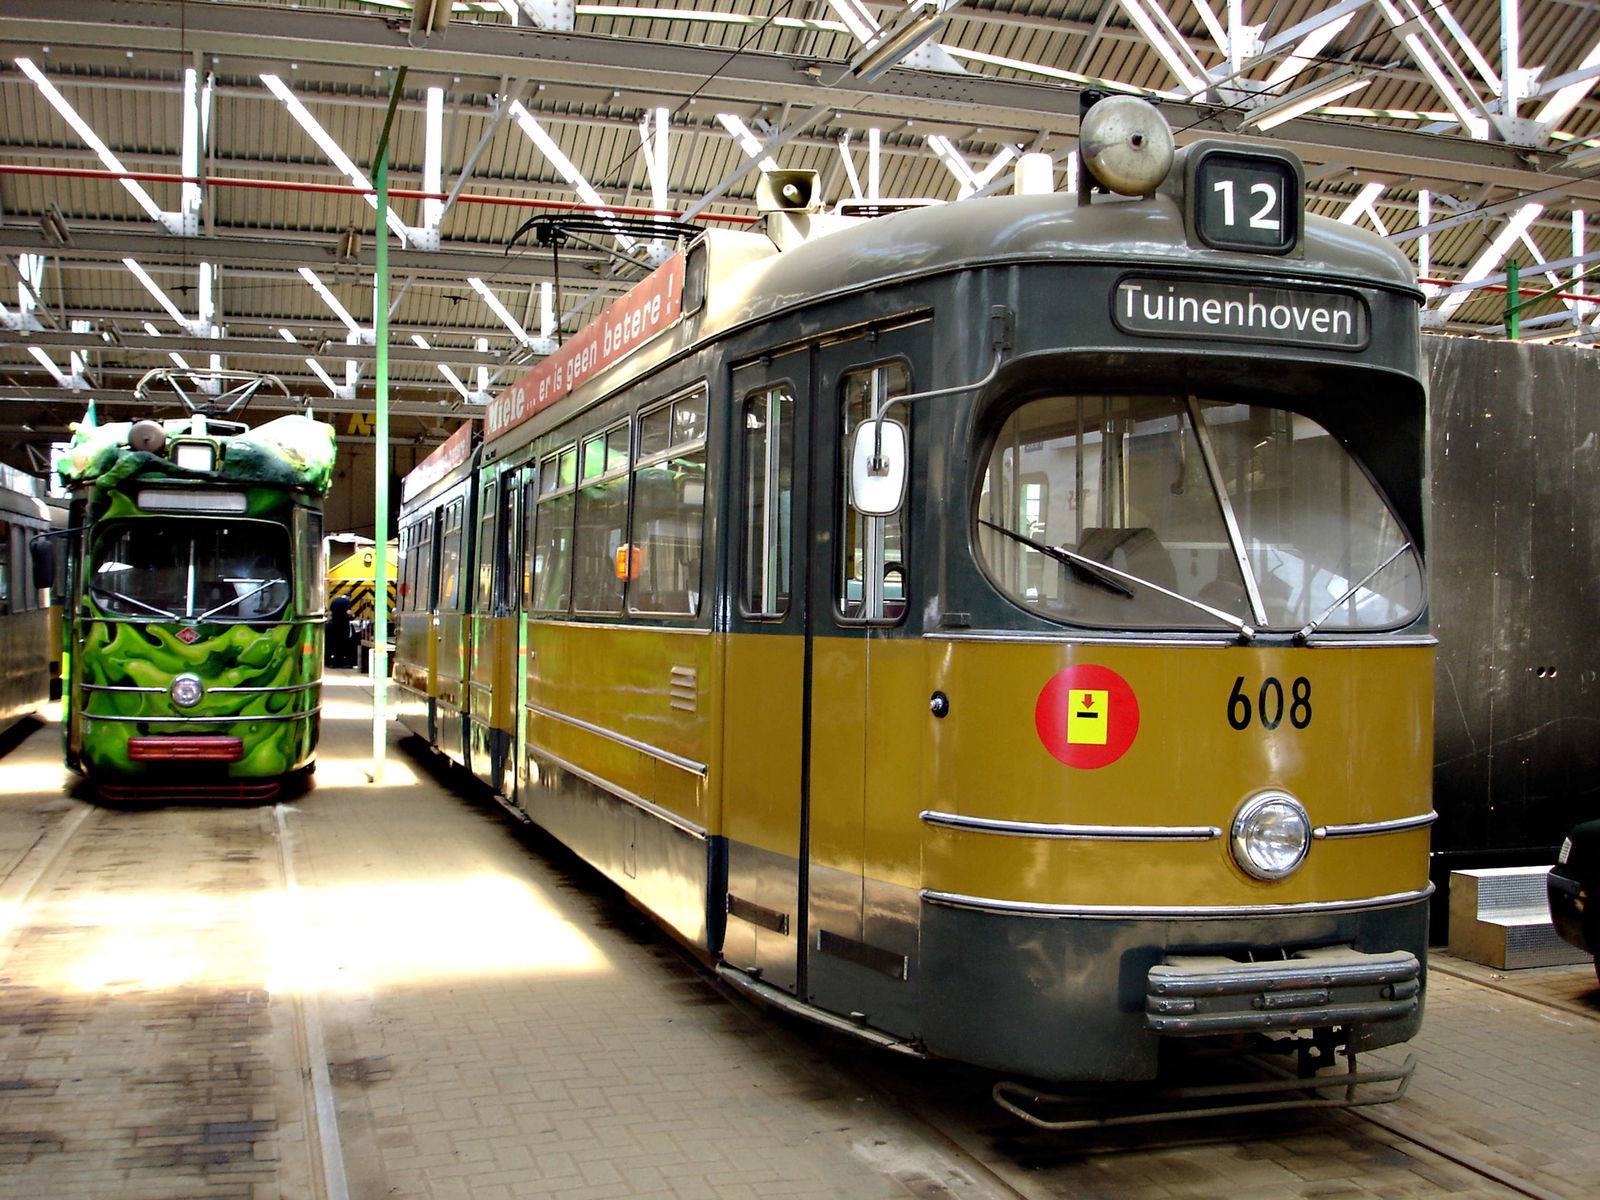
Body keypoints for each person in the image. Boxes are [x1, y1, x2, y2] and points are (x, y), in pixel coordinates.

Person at [326, 595, 357, 668]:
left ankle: (334, 663)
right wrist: (352, 615)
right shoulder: (346, 602)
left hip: (334, 625)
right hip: (343, 625)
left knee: (335, 643)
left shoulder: (334, 601)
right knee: (344, 643)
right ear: (348, 597)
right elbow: (348, 612)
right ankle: (342, 662)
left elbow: (330, 613)